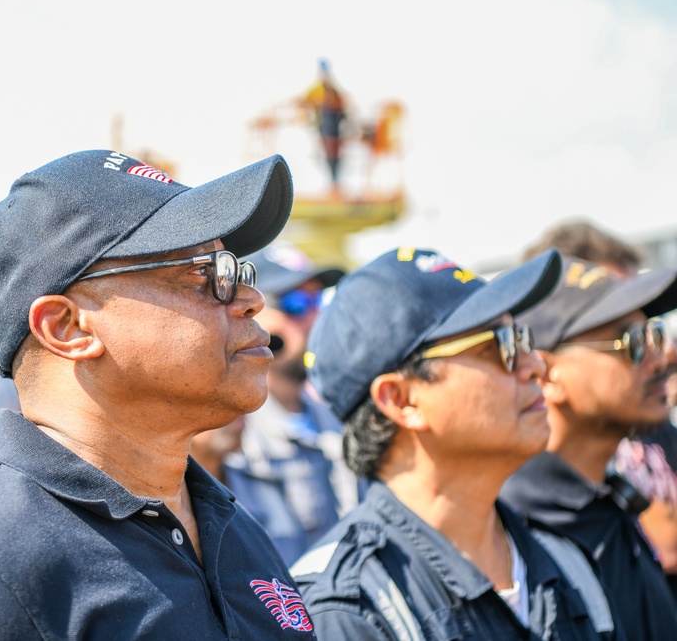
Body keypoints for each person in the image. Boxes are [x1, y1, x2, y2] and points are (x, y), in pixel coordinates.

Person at [0, 150, 317, 639]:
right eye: (203, 273)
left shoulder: (229, 527)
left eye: (236, 271)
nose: (250, 299)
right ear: (67, 327)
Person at [292, 247, 608, 640]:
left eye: (523, 336)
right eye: (501, 345)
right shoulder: (347, 610)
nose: (534, 365)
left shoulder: (565, 564)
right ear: (402, 400)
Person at [501, 255, 677, 640]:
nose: (661, 358)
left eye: (655, 335)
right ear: (546, 375)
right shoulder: (515, 529)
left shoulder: (604, 498)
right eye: (631, 342)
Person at [221, 240, 355, 564]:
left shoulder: (339, 417)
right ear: (250, 313)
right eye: (295, 303)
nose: (313, 318)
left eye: (317, 301)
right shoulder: (229, 432)